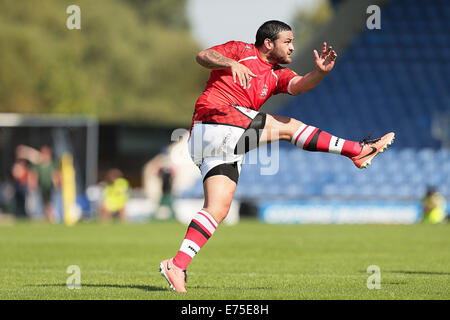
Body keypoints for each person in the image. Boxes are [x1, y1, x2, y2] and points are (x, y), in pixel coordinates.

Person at [159, 20, 395, 293]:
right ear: (268, 43)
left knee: (218, 208)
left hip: (215, 142)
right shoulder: (240, 49)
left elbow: (300, 84)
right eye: (288, 41)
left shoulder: (276, 74)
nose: (293, 47)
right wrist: (230, 63)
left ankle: (177, 265)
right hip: (215, 120)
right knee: (289, 127)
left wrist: (319, 73)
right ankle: (357, 150)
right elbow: (203, 56)